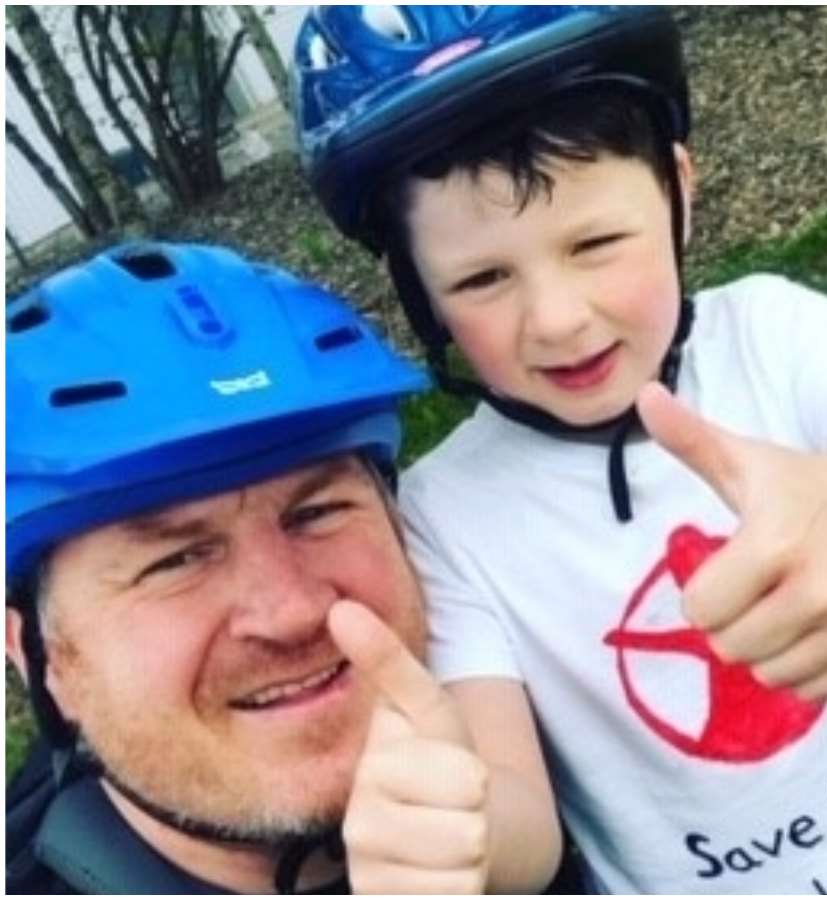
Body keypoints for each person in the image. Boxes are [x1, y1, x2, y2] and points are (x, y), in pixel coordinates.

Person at [294, 6, 827, 894]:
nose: (559, 318)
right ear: (419, 295)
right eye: (483, 279)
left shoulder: (777, 338)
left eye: (597, 242)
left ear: (679, 193)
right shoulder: (448, 517)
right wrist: (468, 826)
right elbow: (523, 819)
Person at [3, 242, 572, 893]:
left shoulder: (544, 733)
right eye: (175, 560)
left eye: (318, 513)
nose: (293, 610)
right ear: (42, 659)